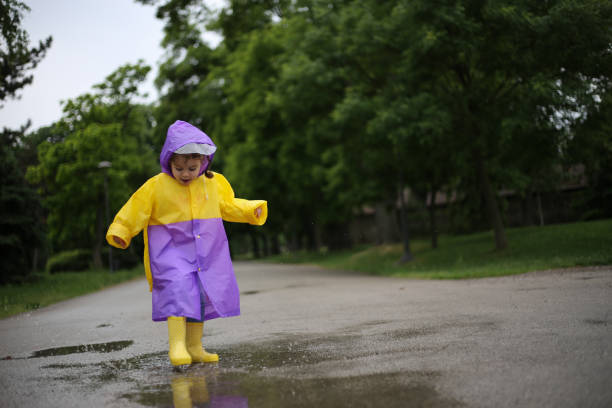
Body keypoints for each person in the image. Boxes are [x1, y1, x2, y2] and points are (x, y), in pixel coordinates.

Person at [106, 120, 267, 366]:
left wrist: (250, 210)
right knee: (177, 290)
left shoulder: (213, 183)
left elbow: (228, 205)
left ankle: (195, 346)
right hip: (170, 251)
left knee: (199, 296)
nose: (185, 173)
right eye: (179, 167)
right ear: (168, 160)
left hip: (205, 251)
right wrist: (122, 229)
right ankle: (178, 346)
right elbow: (135, 209)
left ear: (203, 163)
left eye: (192, 167)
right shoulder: (156, 185)